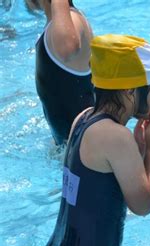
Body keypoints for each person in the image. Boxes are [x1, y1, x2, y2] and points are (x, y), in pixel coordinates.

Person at [38, 34, 150, 246]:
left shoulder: (83, 119)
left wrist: (137, 150)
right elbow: (143, 205)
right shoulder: (117, 137)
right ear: (131, 90)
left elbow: (100, 184)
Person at [30, 0, 94, 145]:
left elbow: (67, 47)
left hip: (85, 152)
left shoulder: (72, 23)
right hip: (78, 145)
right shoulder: (60, 24)